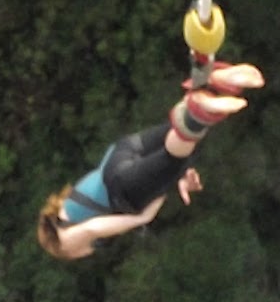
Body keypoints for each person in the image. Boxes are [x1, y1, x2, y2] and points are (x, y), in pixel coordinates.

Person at [37, 62, 264, 260]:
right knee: (178, 131)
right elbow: (152, 177)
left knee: (176, 154)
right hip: (120, 153)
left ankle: (201, 109)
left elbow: (93, 229)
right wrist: (178, 178)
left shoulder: (62, 242)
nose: (86, 254)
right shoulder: (67, 206)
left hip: (120, 188)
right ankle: (214, 83)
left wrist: (140, 219)